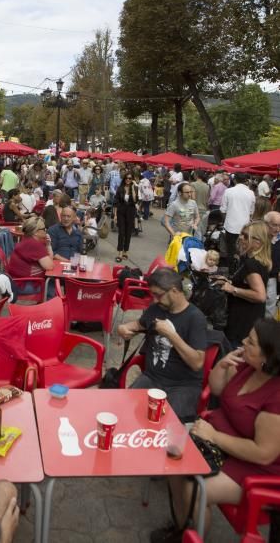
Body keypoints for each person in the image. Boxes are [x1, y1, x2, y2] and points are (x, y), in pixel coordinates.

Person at [154, 318, 280, 542]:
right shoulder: (245, 366)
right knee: (171, 460)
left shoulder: (276, 396)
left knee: (195, 489)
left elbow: (264, 453)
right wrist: (222, 366)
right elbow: (217, 389)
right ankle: (183, 528)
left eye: (250, 342)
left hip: (253, 465)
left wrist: (214, 436)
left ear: (267, 357)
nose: (243, 342)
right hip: (216, 440)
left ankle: (195, 534)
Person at [118, 268, 207, 421]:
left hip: (182, 385)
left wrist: (171, 335)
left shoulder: (195, 318)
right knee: (125, 412)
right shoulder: (156, 309)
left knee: (169, 428)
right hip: (152, 378)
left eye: (158, 295)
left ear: (174, 291)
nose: (155, 300)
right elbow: (139, 324)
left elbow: (198, 363)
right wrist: (124, 328)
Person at [218, 220, 271, 347]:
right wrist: (229, 282)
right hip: (249, 318)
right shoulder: (257, 260)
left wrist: (233, 289)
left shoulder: (251, 264)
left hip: (241, 321)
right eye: (242, 233)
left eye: (246, 236)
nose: (241, 237)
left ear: (258, 242)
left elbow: (260, 295)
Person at [220, 172, 255, 275]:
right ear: (245, 181)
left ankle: (231, 273)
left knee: (231, 250)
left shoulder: (229, 191)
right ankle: (241, 273)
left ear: (234, 180)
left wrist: (226, 220)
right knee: (244, 250)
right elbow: (251, 213)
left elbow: (223, 210)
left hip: (231, 226)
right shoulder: (251, 193)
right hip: (244, 226)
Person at [6, 216, 54, 281]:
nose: (46, 230)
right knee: (54, 284)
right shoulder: (34, 244)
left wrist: (48, 244)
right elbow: (50, 266)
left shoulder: (27, 239)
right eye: (43, 229)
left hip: (16, 280)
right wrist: (48, 246)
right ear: (36, 232)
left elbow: (49, 261)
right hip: (26, 283)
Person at [114, 172, 139, 262]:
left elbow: (136, 200)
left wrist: (133, 188)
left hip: (130, 212)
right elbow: (116, 202)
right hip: (121, 211)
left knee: (128, 233)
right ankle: (120, 252)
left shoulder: (135, 188)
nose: (128, 180)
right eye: (127, 178)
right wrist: (115, 215)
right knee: (121, 232)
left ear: (132, 179)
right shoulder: (120, 188)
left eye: (130, 178)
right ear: (124, 179)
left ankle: (125, 251)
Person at [264, 211, 280, 318]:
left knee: (270, 309)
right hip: (257, 275)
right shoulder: (259, 237)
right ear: (266, 224)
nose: (278, 229)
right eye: (275, 225)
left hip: (272, 278)